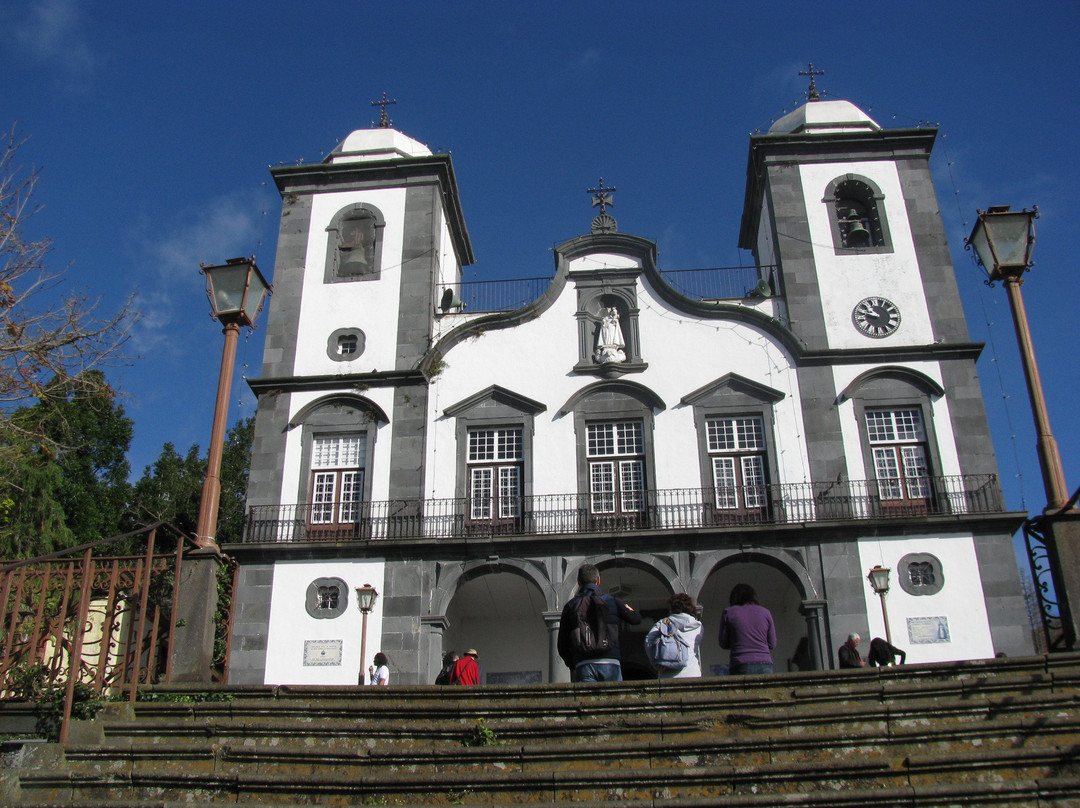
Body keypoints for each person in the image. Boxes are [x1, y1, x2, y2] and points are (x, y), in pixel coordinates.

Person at [557, 563, 642, 682]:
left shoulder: (571, 606)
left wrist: (573, 663)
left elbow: (562, 644)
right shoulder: (611, 601)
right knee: (614, 700)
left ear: (579, 582)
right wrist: (631, 611)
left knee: (586, 700)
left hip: (584, 663)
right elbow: (636, 620)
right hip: (610, 661)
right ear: (598, 580)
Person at [718, 583, 777, 675]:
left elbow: (723, 643)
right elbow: (772, 643)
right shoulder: (765, 612)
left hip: (740, 663)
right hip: (765, 663)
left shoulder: (728, 613)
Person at [645, 592, 702, 678]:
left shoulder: (663, 623)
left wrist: (655, 662)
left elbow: (648, 641)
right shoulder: (698, 626)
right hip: (692, 672)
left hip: (668, 674)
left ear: (672, 608)